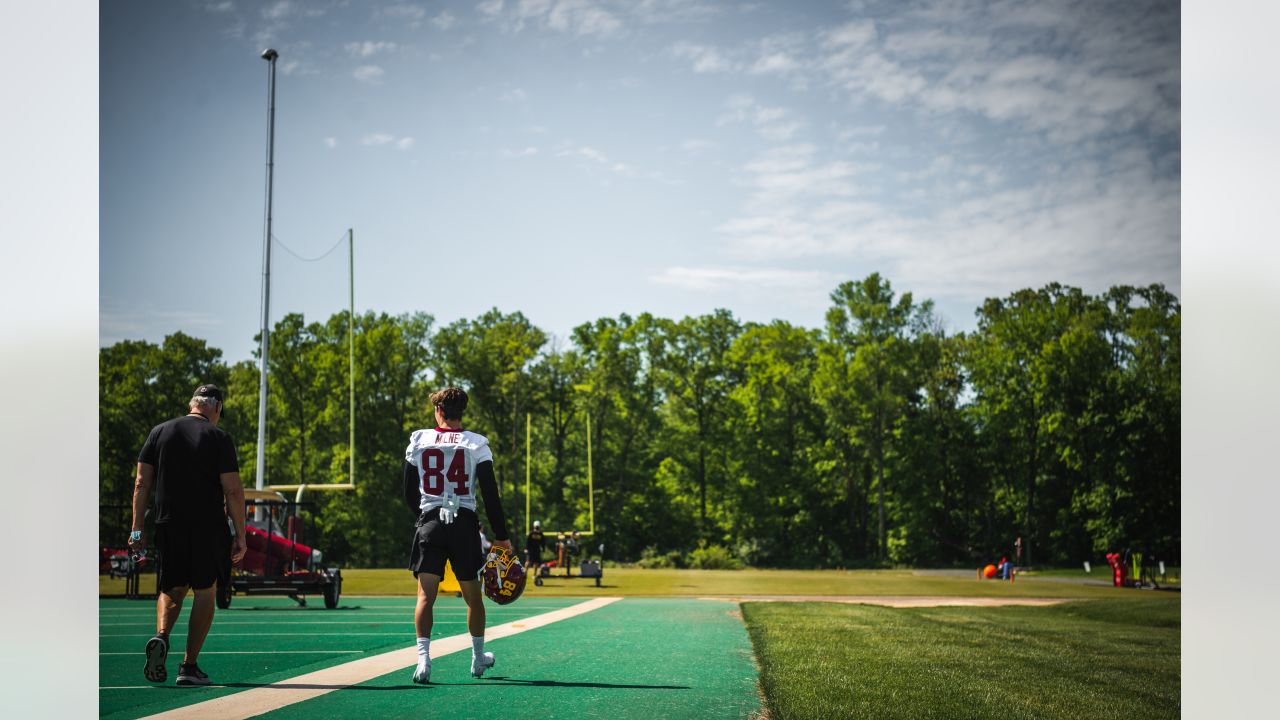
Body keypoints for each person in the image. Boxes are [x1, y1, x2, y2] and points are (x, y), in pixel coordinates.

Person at [127, 384, 247, 687]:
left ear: (192, 403)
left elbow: (141, 483)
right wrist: (241, 536)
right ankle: (189, 666)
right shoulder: (219, 438)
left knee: (172, 586)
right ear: (216, 407)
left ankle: (162, 635)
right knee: (205, 590)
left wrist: (137, 529)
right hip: (207, 525)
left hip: (168, 523)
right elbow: (232, 490)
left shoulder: (159, 432)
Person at [402, 387, 511, 684]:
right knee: (473, 597)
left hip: (430, 522)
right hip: (463, 525)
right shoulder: (476, 443)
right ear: (462, 411)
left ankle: (423, 662)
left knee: (426, 596)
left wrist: (425, 518)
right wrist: (502, 536)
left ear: (438, 410)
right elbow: (490, 494)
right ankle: (477, 658)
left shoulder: (419, 439)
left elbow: (408, 491)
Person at [525, 520, 546, 586]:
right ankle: (525, 574)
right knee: (528, 561)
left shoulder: (540, 534)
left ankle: (534, 574)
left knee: (536, 563)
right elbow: (527, 541)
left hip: (537, 550)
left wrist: (543, 549)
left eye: (538, 526)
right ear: (534, 526)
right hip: (531, 550)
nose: (537, 527)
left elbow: (543, 542)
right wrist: (526, 548)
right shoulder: (531, 533)